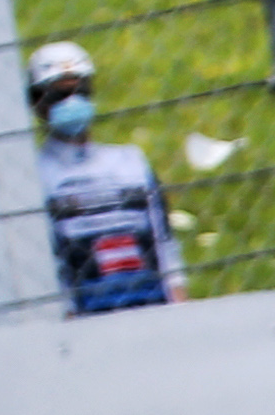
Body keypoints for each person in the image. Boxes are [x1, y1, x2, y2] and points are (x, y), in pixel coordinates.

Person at [27, 38, 184, 316]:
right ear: (38, 102)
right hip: (86, 311)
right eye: (60, 95)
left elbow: (164, 240)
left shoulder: (130, 162)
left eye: (81, 90)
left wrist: (178, 300)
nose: (73, 101)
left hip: (149, 300)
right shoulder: (37, 176)